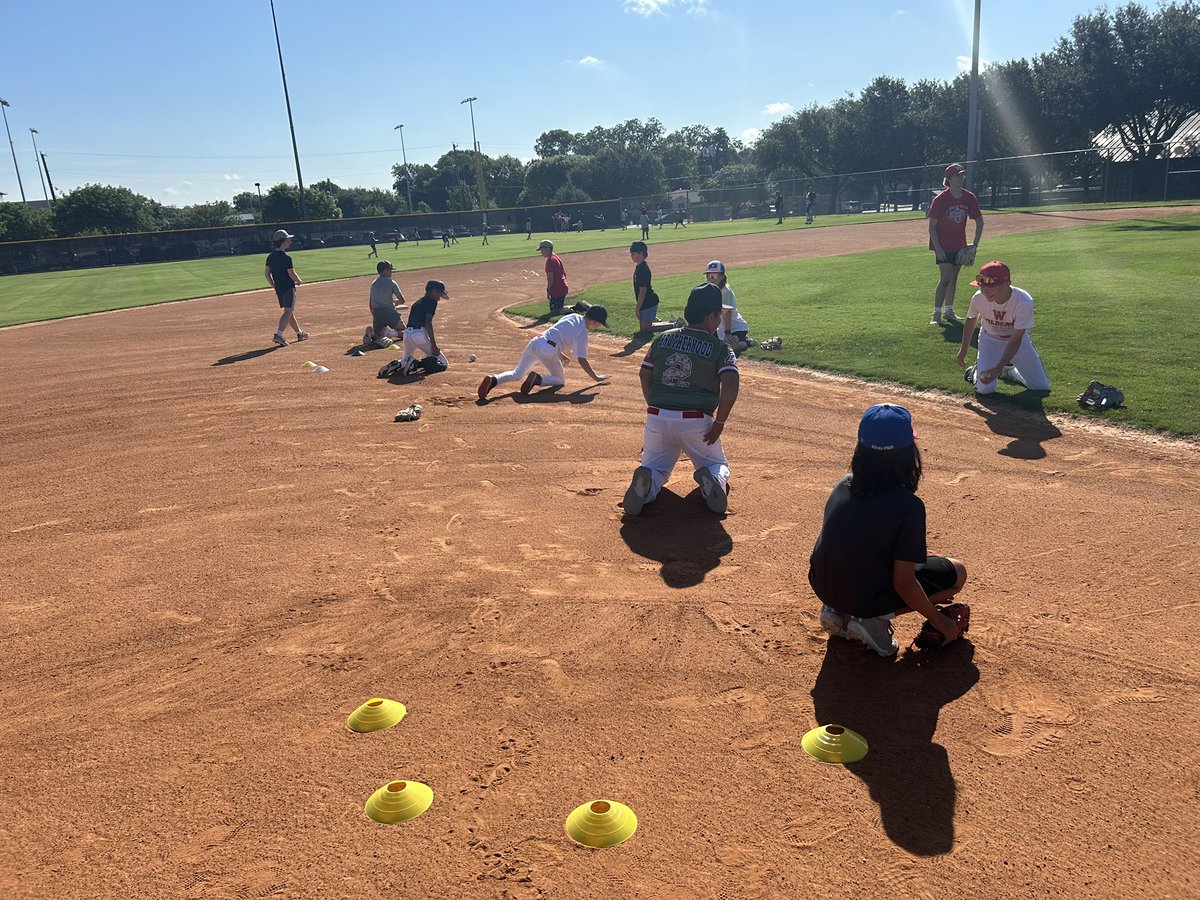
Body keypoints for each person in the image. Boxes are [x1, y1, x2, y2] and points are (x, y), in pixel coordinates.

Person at [808, 403, 968, 657]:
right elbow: (904, 583)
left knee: (865, 554)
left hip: (823, 585)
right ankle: (873, 620)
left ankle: (838, 610)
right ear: (908, 454)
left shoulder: (843, 483)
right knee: (957, 572)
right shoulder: (909, 507)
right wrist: (940, 621)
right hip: (865, 597)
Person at [622, 283, 739, 517]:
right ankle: (713, 477)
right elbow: (730, 385)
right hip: (696, 423)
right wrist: (719, 423)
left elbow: (644, 373)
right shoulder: (719, 347)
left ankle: (646, 486)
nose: (718, 320)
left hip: (657, 417)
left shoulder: (662, 339)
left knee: (656, 468)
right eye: (718, 315)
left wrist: (653, 403)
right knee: (717, 464)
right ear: (709, 316)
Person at [477, 305, 610, 400]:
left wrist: (561, 354)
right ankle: (537, 379)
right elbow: (582, 360)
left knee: (517, 373)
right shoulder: (582, 333)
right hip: (548, 349)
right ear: (593, 322)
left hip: (536, 341)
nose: (598, 326)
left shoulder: (573, 316)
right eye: (599, 323)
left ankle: (494, 380)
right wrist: (596, 377)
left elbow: (556, 334)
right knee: (559, 380)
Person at [957, 261, 1050, 394]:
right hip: (989, 339)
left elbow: (1015, 340)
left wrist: (998, 368)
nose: (985, 290)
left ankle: (1010, 372)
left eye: (992, 286)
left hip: (1016, 341)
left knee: (1040, 386)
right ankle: (975, 372)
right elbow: (971, 319)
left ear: (1007, 284)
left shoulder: (1023, 301)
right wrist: (963, 350)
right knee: (984, 390)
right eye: (982, 285)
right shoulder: (978, 297)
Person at [927, 162, 984, 325]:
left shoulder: (968, 197)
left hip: (960, 245)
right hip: (942, 245)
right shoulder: (941, 199)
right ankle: (936, 313)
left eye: (962, 175)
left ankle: (949, 311)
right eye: (957, 176)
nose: (960, 178)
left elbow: (979, 221)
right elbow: (932, 226)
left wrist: (975, 244)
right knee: (945, 278)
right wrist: (938, 248)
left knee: (953, 279)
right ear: (949, 179)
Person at [264, 229, 308, 347]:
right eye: (288, 240)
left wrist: (273, 285)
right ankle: (278, 334)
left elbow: (267, 274)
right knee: (288, 311)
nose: (290, 242)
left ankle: (300, 333)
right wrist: (298, 281)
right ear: (282, 241)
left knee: (289, 312)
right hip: (288, 288)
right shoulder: (286, 258)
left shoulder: (270, 257)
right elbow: (291, 274)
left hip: (279, 289)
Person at [400, 279, 450, 375]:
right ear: (433, 291)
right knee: (443, 363)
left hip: (407, 335)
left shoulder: (417, 302)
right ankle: (416, 364)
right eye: (439, 293)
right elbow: (428, 323)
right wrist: (433, 345)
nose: (439, 297)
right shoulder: (432, 301)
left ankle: (399, 364)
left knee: (405, 362)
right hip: (418, 335)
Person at [630, 241, 678, 335]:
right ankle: (656, 320)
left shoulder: (643, 269)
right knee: (644, 329)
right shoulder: (639, 267)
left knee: (646, 329)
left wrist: (637, 309)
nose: (631, 256)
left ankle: (675, 324)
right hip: (645, 302)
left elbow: (643, 292)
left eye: (633, 254)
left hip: (649, 302)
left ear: (641, 254)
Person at [705, 260, 753, 353]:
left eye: (715, 275)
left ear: (722, 276)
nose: (711, 278)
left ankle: (745, 342)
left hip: (735, 328)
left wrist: (727, 333)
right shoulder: (708, 290)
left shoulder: (726, 292)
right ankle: (740, 340)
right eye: (709, 275)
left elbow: (727, 313)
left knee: (725, 350)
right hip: (719, 328)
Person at [363, 260, 406, 348]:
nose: (391, 272)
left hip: (377, 313)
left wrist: (375, 317)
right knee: (406, 332)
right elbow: (402, 300)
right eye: (390, 270)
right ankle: (391, 333)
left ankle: (373, 334)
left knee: (379, 337)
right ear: (386, 270)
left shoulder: (374, 283)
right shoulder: (391, 282)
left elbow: (370, 305)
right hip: (389, 312)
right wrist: (395, 302)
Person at [539, 239, 569, 315]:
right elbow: (564, 274)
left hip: (556, 290)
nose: (541, 252)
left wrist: (548, 290)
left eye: (542, 250)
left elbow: (550, 278)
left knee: (555, 313)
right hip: (562, 287)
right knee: (559, 311)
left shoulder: (550, 261)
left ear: (548, 249)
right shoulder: (556, 257)